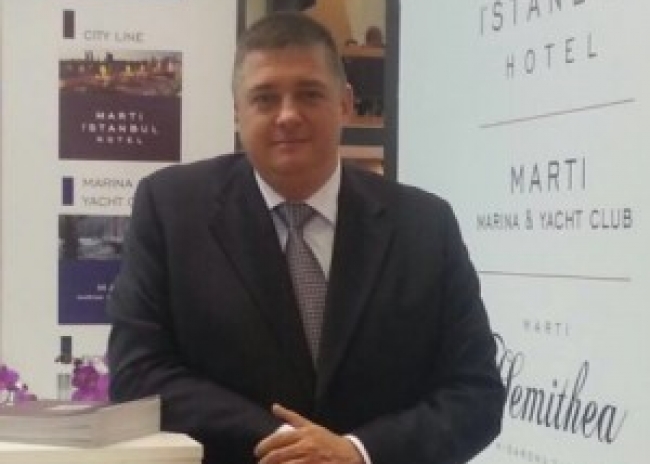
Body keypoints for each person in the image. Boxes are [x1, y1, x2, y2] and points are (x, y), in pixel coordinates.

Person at [107, 12, 505, 464]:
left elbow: (476, 394)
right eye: (265, 98)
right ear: (237, 111)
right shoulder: (171, 209)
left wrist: (357, 452)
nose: (288, 115)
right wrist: (290, 445)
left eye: (310, 94)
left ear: (345, 103)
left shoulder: (425, 225)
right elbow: (138, 374)